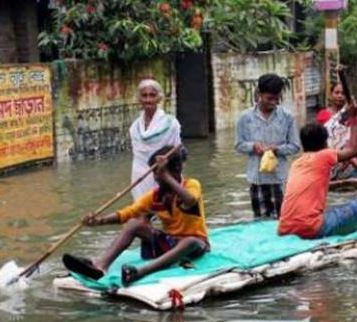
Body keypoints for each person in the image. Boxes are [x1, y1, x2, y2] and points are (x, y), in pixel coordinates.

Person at [62, 146, 208, 286]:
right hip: (170, 243)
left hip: (196, 244)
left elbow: (190, 200)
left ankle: (140, 272)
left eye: (158, 173)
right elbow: (128, 212)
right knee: (133, 224)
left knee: (190, 241)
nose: (156, 177)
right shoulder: (155, 196)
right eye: (155, 173)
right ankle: (101, 267)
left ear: (175, 171)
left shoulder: (191, 185)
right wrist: (99, 221)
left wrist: (165, 176)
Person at [278, 101, 357, 239]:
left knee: (328, 212)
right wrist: (354, 119)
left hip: (284, 228)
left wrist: (347, 182)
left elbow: (312, 186)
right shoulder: (324, 155)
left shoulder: (297, 163)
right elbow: (354, 149)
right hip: (310, 228)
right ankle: (352, 234)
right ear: (325, 143)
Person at [235, 73, 301, 218]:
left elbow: (295, 146)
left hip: (280, 178)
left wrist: (276, 149)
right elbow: (239, 145)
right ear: (259, 94)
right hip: (257, 179)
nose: (273, 102)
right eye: (269, 98)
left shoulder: (287, 117)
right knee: (260, 221)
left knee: (283, 219)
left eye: (277, 99)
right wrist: (253, 147)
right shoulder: (245, 118)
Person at [129, 79, 182, 199]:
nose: (148, 100)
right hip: (139, 176)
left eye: (152, 95)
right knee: (141, 210)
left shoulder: (171, 124)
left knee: (163, 208)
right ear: (139, 99)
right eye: (144, 96)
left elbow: (177, 154)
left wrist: (167, 173)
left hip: (163, 175)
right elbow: (138, 157)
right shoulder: (134, 127)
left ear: (159, 98)